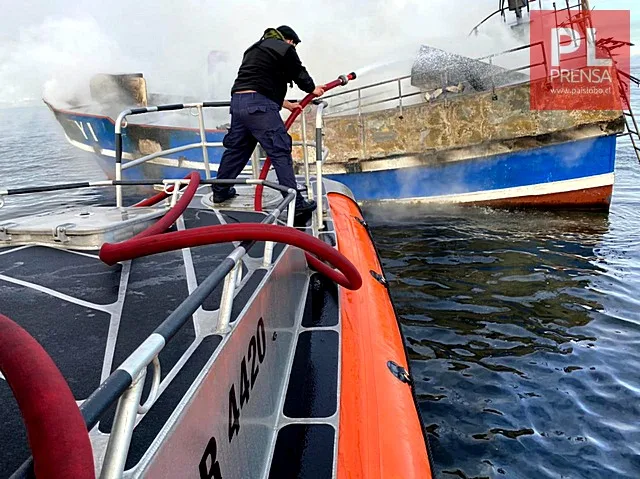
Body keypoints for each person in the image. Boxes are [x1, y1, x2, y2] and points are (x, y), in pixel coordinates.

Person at [212, 25, 324, 220]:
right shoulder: (285, 49)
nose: (294, 47)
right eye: (294, 44)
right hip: (259, 106)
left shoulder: (254, 49)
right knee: (279, 150)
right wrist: (312, 88)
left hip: (238, 103)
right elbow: (298, 72)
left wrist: (286, 104)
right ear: (289, 40)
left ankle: (220, 191)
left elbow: (258, 81)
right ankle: (295, 203)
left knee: (237, 149)